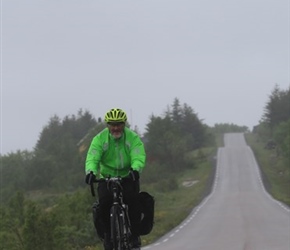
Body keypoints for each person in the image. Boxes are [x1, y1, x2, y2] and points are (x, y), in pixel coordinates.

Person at [85, 108, 146, 250]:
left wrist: (135, 170)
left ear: (124, 124)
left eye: (119, 124)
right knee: (103, 206)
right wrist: (91, 172)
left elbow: (138, 155)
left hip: (127, 177)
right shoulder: (99, 139)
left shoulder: (132, 138)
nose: (116, 127)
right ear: (108, 125)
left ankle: (135, 236)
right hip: (106, 178)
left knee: (134, 204)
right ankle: (108, 236)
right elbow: (92, 157)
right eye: (112, 124)